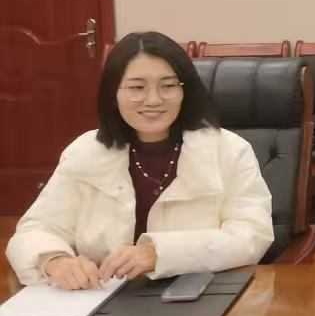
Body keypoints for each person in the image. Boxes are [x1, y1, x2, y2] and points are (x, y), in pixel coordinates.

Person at [6, 31, 273, 289]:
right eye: (136, 87)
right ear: (113, 94)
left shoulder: (229, 150)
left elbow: (251, 236)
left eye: (168, 86)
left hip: (198, 295)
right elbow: (35, 230)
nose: (153, 100)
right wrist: (55, 261)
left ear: (185, 92)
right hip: (101, 298)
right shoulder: (85, 152)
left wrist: (159, 253)